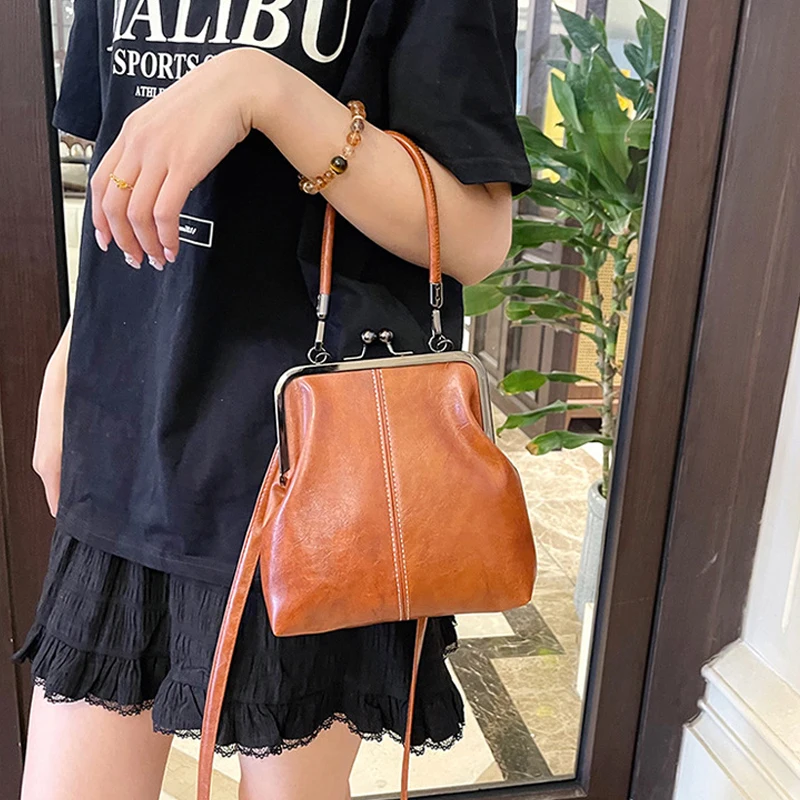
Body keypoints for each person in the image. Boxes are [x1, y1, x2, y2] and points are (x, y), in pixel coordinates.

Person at [16, 1, 532, 798]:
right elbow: (123, 169)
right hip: (130, 429)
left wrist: (263, 90)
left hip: (317, 474)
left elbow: (475, 235)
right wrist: (71, 359)